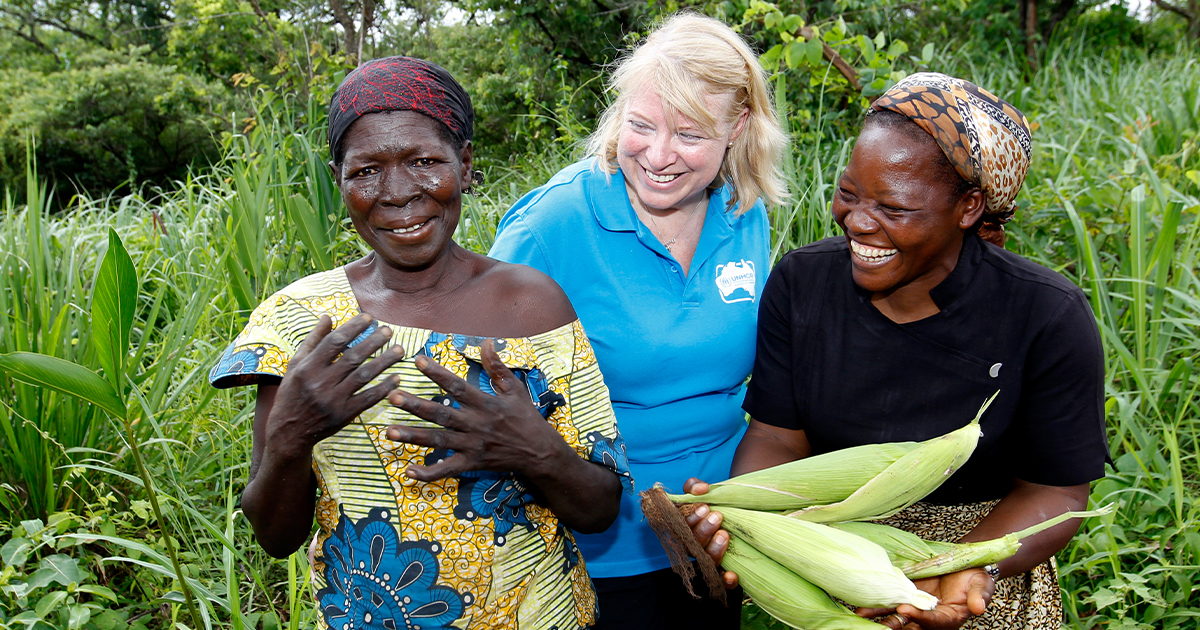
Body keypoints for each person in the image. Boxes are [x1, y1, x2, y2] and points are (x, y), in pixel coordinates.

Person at [209, 56, 632, 630]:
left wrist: (533, 451)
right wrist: (291, 437)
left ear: (466, 164)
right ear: (339, 179)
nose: (399, 193)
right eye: (366, 171)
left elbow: (602, 509)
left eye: (425, 162)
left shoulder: (532, 304)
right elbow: (275, 537)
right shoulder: (301, 321)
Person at [687, 73, 1109, 630]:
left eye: (895, 207)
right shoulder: (802, 283)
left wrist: (956, 569)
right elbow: (776, 436)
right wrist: (753, 514)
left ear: (969, 207)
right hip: (829, 541)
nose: (859, 221)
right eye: (849, 192)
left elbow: (1056, 490)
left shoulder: (1046, 315)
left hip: (985, 556)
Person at [487, 13, 788, 630]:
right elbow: (488, 385)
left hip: (721, 528)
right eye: (641, 126)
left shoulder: (743, 212)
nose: (658, 156)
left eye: (689, 135)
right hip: (598, 546)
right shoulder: (551, 228)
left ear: (737, 128)